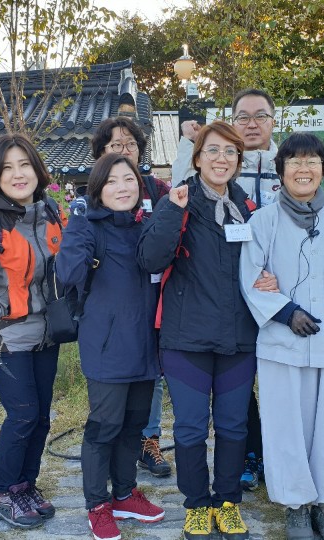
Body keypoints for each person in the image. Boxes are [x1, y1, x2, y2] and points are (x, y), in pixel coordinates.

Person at [239, 132, 324, 540]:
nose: (304, 169)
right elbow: (251, 278)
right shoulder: (262, 220)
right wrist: (286, 312)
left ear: (323, 169)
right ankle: (296, 505)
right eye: (295, 161)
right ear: (281, 170)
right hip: (284, 343)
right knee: (287, 426)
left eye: (313, 161)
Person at [139, 121, 259, 540]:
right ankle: (195, 504)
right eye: (212, 151)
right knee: (190, 427)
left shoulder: (249, 207)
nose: (221, 159)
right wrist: (173, 210)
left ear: (239, 161)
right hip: (185, 338)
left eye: (230, 152)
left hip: (239, 339)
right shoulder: (179, 202)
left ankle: (227, 502)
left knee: (232, 426)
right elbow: (151, 259)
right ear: (197, 157)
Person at [56, 153, 167, 540]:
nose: (123, 188)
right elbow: (68, 273)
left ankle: (123, 493)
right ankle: (97, 504)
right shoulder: (89, 226)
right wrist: (76, 225)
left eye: (130, 180)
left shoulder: (146, 226)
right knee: (104, 427)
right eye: (113, 182)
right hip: (106, 345)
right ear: (99, 190)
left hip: (146, 345)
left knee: (134, 426)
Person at [172, 88, 278, 491]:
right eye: (243, 116)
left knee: (250, 405)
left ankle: (254, 472)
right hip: (199, 324)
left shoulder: (288, 167)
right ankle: (203, 499)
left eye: (260, 116)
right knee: (200, 420)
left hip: (258, 310)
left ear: (273, 120)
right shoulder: (193, 193)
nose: (252, 123)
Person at [0, 133, 65, 530]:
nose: (18, 174)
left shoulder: (50, 213)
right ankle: (3, 490)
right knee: (22, 415)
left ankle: (25, 485)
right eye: (7, 168)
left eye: (24, 165)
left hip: (47, 331)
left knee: (41, 418)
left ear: (37, 169)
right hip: (4, 333)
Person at [91, 117, 173, 478]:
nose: (124, 151)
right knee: (117, 384)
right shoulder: (94, 200)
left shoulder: (159, 190)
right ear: (101, 155)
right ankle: (114, 443)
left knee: (151, 375)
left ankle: (148, 440)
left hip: (157, 299)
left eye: (131, 145)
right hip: (115, 307)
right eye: (115, 145)